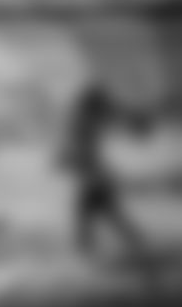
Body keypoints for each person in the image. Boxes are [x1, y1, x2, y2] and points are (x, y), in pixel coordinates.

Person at [59, 84, 150, 262]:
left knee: (95, 207)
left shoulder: (86, 119)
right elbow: (79, 144)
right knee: (100, 208)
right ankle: (127, 238)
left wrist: (73, 159)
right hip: (92, 169)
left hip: (92, 170)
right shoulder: (88, 119)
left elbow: (78, 145)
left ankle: (87, 244)